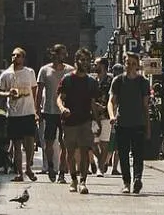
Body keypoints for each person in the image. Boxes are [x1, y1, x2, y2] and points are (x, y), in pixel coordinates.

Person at [57, 48, 100, 194]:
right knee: (70, 152)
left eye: (87, 60)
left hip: (85, 120)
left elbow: (93, 103)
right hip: (69, 121)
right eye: (82, 60)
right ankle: (73, 179)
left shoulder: (91, 82)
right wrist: (62, 108)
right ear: (76, 61)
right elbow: (60, 98)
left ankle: (83, 181)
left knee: (84, 150)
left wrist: (97, 120)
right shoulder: (67, 79)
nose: (85, 63)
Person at [108, 51, 150, 195]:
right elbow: (111, 101)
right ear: (124, 63)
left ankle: (137, 179)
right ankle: (126, 182)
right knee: (123, 155)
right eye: (128, 63)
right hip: (122, 123)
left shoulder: (143, 82)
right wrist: (112, 116)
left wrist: (148, 126)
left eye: (133, 63)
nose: (130, 66)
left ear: (137, 66)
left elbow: (145, 106)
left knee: (138, 155)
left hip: (138, 123)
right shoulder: (118, 81)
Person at [0, 48, 39, 184]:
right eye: (13, 54)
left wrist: (36, 109)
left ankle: (28, 168)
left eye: (18, 55)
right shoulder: (6, 74)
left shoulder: (29, 72)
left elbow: (34, 90)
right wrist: (8, 94)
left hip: (28, 112)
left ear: (23, 58)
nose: (15, 57)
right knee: (16, 144)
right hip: (14, 113)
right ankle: (19, 172)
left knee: (29, 143)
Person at [35, 45, 72, 182]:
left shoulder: (70, 70)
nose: (59, 56)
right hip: (49, 110)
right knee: (48, 142)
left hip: (64, 111)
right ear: (52, 54)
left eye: (62, 54)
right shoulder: (45, 70)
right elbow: (39, 92)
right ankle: (50, 166)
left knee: (64, 143)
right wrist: (37, 111)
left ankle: (62, 172)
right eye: (57, 54)